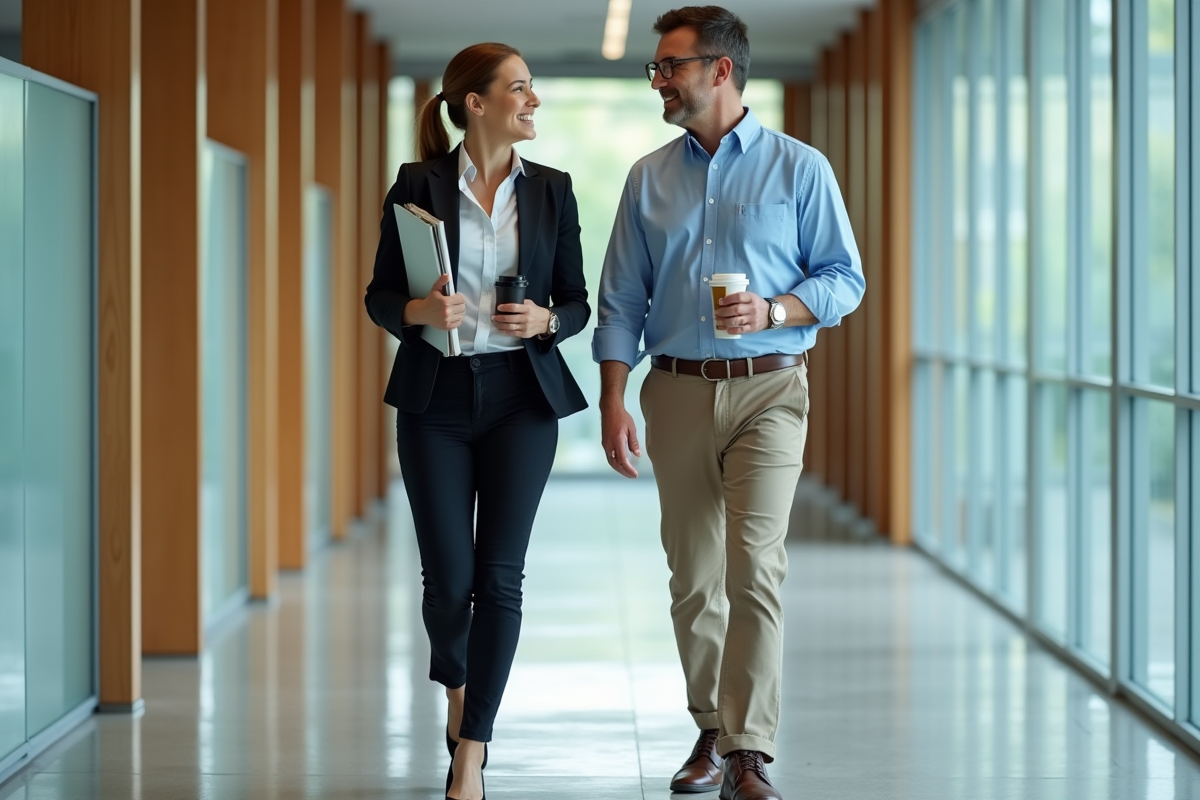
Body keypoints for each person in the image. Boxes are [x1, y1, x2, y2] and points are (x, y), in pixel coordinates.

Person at [592, 7, 865, 800]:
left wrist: (777, 309)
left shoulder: (800, 169)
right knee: (694, 576)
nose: (659, 80)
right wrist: (613, 400)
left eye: (669, 65)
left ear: (719, 70)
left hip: (773, 390)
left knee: (756, 566)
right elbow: (620, 300)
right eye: (656, 67)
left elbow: (844, 280)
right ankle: (711, 725)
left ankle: (749, 749)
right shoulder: (648, 176)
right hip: (674, 389)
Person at [364, 42, 589, 800]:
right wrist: (419, 312)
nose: (533, 101)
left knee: (499, 580)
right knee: (447, 580)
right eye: (519, 89)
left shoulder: (553, 190)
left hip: (523, 399)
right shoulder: (416, 184)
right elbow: (379, 296)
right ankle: (457, 688)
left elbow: (577, 300)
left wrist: (547, 319)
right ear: (476, 104)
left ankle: (472, 749)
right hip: (437, 399)